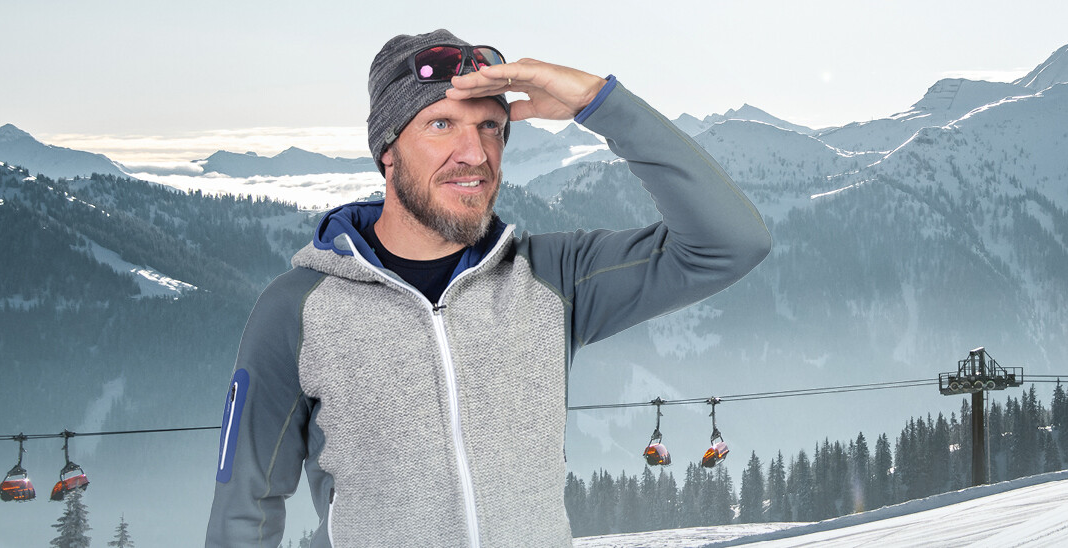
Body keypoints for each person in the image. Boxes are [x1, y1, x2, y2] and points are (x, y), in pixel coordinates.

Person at [205, 29, 770, 547]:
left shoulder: (552, 277)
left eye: (490, 128)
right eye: (441, 124)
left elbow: (732, 242)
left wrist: (598, 103)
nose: (475, 154)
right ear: (387, 149)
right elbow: (244, 513)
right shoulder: (298, 311)